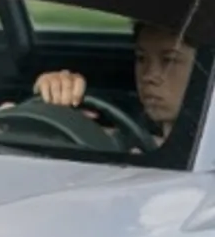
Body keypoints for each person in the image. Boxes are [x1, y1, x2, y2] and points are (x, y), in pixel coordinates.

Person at [28, 20, 196, 148]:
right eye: (141, 58)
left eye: (169, 60)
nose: (149, 76)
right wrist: (54, 95)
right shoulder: (129, 122)